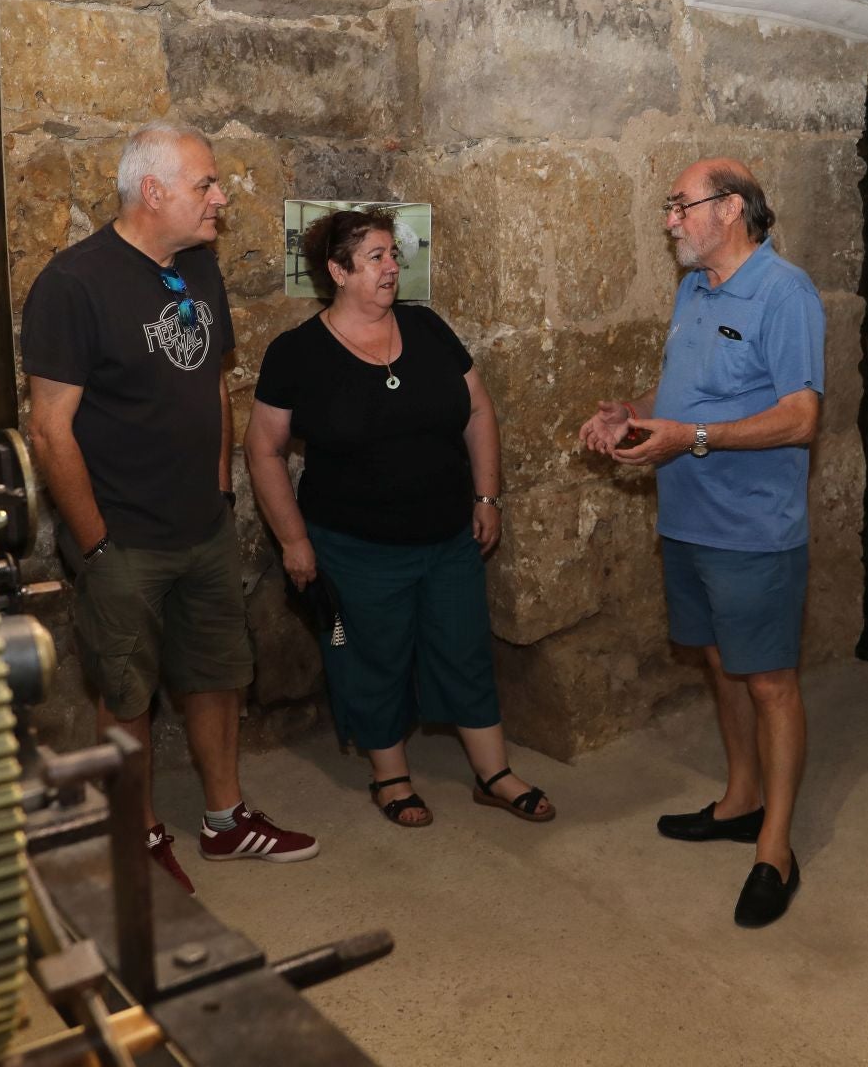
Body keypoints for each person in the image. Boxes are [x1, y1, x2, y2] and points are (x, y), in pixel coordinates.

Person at [21, 121, 318, 895]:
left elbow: (212, 382)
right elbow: (49, 430)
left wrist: (220, 493)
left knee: (217, 674)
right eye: (205, 184)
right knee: (127, 693)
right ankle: (136, 833)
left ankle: (226, 821)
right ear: (152, 192)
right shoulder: (74, 284)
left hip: (203, 525)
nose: (222, 197)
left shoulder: (197, 267)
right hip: (121, 537)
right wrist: (96, 544)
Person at [245, 209, 554, 828]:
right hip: (355, 545)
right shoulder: (297, 353)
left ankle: (493, 773)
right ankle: (390, 777)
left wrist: (487, 497)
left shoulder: (426, 327)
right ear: (338, 272)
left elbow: (478, 412)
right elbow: (264, 450)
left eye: (394, 255)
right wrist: (293, 540)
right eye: (376, 257)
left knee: (464, 647)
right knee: (370, 657)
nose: (392, 268)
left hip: (447, 535)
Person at [578, 158, 823, 928]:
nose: (669, 220)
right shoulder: (695, 290)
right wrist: (633, 414)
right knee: (721, 663)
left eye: (680, 206)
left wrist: (693, 437)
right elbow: (686, 395)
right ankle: (741, 799)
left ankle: (775, 849)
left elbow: (801, 417)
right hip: (686, 519)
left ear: (730, 208)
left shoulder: (785, 292)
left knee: (770, 681)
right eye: (669, 207)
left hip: (752, 530)